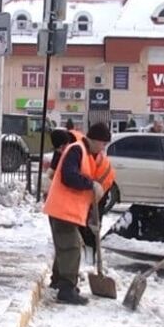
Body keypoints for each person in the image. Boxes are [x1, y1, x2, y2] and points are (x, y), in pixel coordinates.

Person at [42, 122, 114, 305]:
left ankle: (58, 282)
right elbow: (68, 175)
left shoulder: (85, 153)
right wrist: (90, 184)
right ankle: (66, 290)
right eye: (103, 144)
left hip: (67, 210)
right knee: (72, 247)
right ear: (96, 140)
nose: (103, 148)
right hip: (62, 209)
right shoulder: (77, 150)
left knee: (66, 246)